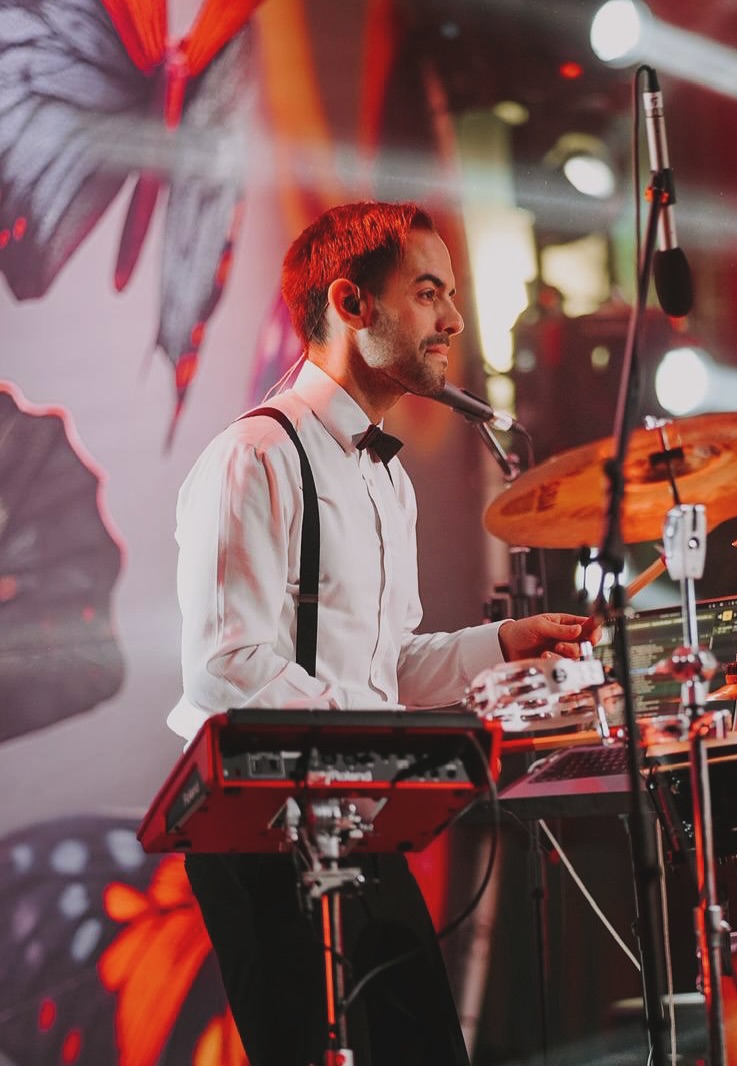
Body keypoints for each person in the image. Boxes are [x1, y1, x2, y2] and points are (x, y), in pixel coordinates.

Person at [167, 201, 597, 1066]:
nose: (454, 320)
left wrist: (503, 645)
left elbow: (388, 666)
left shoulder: (384, 479)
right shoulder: (256, 456)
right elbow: (225, 669)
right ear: (352, 304)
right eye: (429, 292)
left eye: (452, 295)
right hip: (257, 826)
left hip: (348, 809)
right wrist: (381, 742)